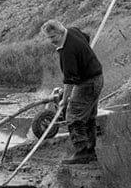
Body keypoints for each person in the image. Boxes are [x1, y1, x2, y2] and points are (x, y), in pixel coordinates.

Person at [40, 19, 104, 164]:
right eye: (48, 37)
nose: (50, 41)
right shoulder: (73, 31)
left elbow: (69, 80)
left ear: (60, 32)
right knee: (88, 117)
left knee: (73, 116)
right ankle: (90, 151)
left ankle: (82, 152)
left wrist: (64, 100)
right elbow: (86, 37)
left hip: (87, 83)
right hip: (97, 78)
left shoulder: (67, 52)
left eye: (52, 37)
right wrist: (84, 56)